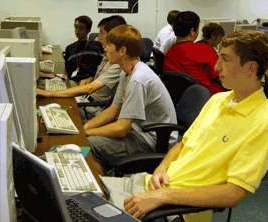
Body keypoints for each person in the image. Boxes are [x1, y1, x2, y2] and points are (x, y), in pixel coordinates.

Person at [99, 30, 268, 222]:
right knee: (81, 193)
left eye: (225, 59)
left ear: (250, 68)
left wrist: (161, 197)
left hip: (174, 209)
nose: (216, 66)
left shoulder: (262, 121)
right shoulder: (218, 100)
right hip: (153, 187)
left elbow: (233, 194)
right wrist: (160, 170)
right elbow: (182, 145)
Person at [84, 25, 178, 176]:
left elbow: (121, 129)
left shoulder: (137, 80)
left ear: (122, 51)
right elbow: (114, 109)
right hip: (138, 131)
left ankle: (102, 191)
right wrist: (86, 128)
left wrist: (87, 134)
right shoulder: (127, 71)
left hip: (151, 141)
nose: (105, 49)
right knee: (88, 138)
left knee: (90, 145)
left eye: (109, 45)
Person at [37, 16, 126, 121]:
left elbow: (90, 89)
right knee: (49, 102)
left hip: (92, 106)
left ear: (114, 36)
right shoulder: (108, 57)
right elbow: (101, 81)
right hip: (86, 99)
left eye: (102, 33)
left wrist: (49, 94)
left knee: (50, 104)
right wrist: (92, 79)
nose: (98, 37)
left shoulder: (118, 64)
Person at [164, 11, 224, 95]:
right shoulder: (205, 50)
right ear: (192, 31)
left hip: (186, 100)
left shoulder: (168, 54)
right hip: (213, 98)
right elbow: (221, 77)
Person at [64, 15, 103, 86]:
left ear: (89, 30)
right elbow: (68, 70)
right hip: (75, 82)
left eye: (81, 28)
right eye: (76, 27)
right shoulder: (69, 48)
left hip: (92, 82)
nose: (77, 30)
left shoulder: (98, 46)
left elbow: (101, 68)